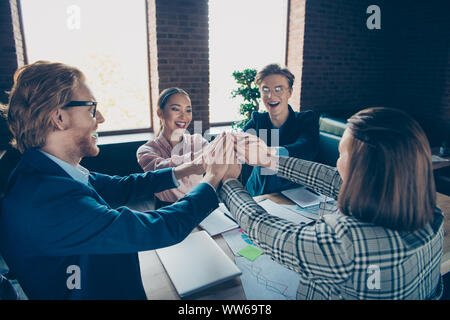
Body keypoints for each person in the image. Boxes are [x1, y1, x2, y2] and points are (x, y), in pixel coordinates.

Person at [0, 61, 229, 300]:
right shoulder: (48, 200)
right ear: (59, 117)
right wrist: (213, 178)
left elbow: (124, 186)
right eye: (91, 109)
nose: (100, 118)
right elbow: (156, 229)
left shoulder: (47, 173)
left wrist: (192, 167)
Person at [221, 107, 443, 299]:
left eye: (340, 154)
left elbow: (263, 228)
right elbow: (337, 180)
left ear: (363, 171)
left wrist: (229, 182)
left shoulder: (345, 243)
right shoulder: (431, 210)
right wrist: (269, 158)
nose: (337, 164)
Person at [241, 63, 319, 196]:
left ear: (290, 92)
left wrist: (270, 152)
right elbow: (239, 140)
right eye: (265, 90)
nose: (271, 96)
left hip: (292, 192)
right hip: (258, 193)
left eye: (278, 89)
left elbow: (307, 147)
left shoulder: (306, 119)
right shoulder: (257, 120)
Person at [136, 88, 208, 206]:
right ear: (160, 113)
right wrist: (198, 158)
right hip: (165, 211)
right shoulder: (146, 150)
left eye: (188, 110)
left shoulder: (198, 141)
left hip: (198, 207)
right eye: (175, 109)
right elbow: (162, 172)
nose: (183, 116)